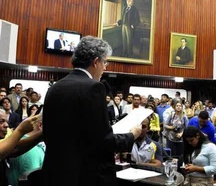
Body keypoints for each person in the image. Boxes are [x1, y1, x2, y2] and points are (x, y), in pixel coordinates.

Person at [42, 36, 142, 186]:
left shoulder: (55, 87)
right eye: (105, 62)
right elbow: (103, 141)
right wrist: (132, 135)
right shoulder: (94, 87)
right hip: (85, 175)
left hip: (55, 173)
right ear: (96, 62)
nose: (105, 67)